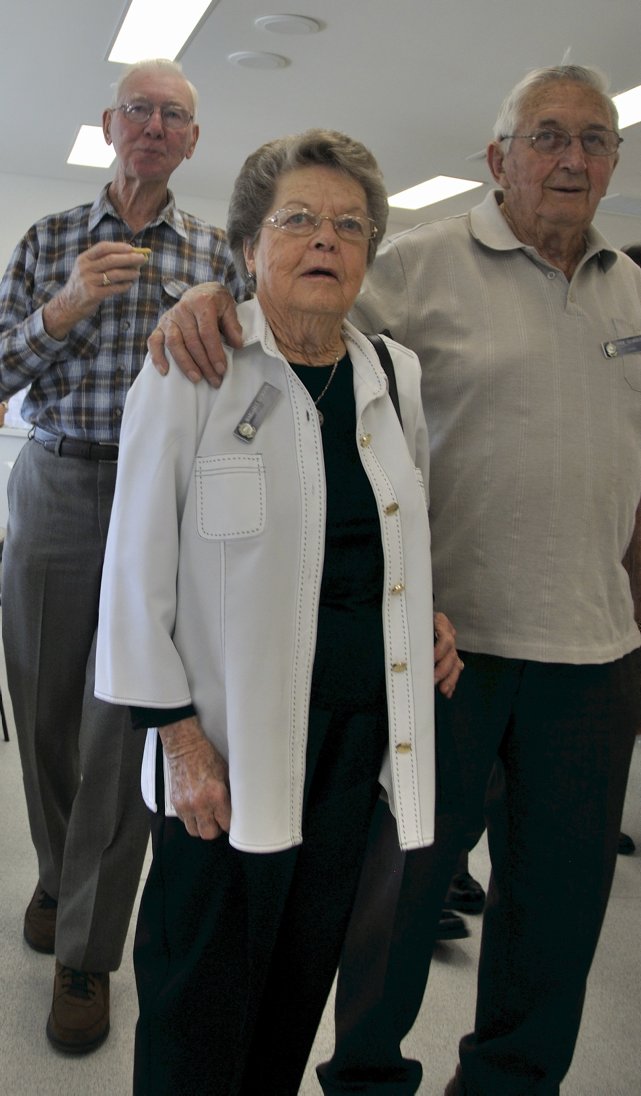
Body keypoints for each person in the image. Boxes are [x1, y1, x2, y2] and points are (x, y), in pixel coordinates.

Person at [149, 65, 641, 1096]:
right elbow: (290, 299)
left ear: (613, 161)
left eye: (594, 139)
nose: (571, 157)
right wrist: (203, 293)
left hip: (584, 647)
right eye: (545, 136)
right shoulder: (420, 261)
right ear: (496, 157)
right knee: (395, 905)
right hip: (446, 656)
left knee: (556, 910)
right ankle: (368, 1081)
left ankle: (509, 1083)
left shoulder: (632, 291)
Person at [95, 128, 462, 1096]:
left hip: (353, 742)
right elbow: (133, 570)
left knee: (297, 984)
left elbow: (398, 525)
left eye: (350, 225)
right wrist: (179, 741)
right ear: (249, 245)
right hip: (222, 750)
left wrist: (420, 615)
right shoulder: (193, 365)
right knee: (197, 997)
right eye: (297, 219)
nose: (325, 239)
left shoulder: (392, 373)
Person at [0, 58, 244, 1054]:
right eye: (138, 109)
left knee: (122, 727)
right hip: (56, 482)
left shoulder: (216, 255)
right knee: (44, 711)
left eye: (172, 115)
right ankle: (60, 874)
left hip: (163, 505)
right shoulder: (48, 238)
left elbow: (242, 392)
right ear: (109, 124)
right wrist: (62, 308)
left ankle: (87, 951)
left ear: (192, 140)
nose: (153, 125)